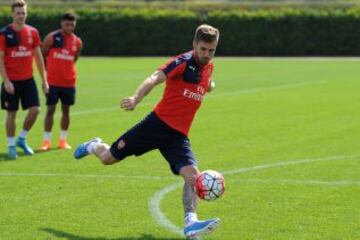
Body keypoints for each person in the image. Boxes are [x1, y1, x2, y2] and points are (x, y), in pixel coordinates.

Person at [74, 24, 219, 239]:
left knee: (192, 176)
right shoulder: (182, 62)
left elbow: (206, 83)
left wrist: (210, 86)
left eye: (211, 50)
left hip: (177, 136)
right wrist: (135, 98)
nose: (206, 55)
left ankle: (191, 223)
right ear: (194, 45)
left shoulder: (209, 67)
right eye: (203, 49)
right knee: (108, 158)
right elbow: (154, 77)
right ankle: (93, 145)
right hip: (155, 126)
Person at [0, 0, 48, 160]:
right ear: (12, 14)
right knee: (11, 114)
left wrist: (44, 80)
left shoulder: (33, 32)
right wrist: (6, 81)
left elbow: (38, 57)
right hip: (11, 81)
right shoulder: (4, 33)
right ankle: (11, 146)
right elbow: (0, 59)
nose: (21, 16)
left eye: (24, 13)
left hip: (28, 80)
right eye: (18, 13)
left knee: (35, 110)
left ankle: (22, 138)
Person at [40, 13, 83, 151]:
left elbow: (74, 59)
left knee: (66, 111)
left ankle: (63, 141)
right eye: (67, 24)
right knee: (50, 110)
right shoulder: (52, 37)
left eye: (72, 25)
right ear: (61, 23)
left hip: (69, 82)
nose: (70, 27)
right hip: (52, 82)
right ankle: (46, 142)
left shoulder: (77, 41)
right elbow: (42, 55)